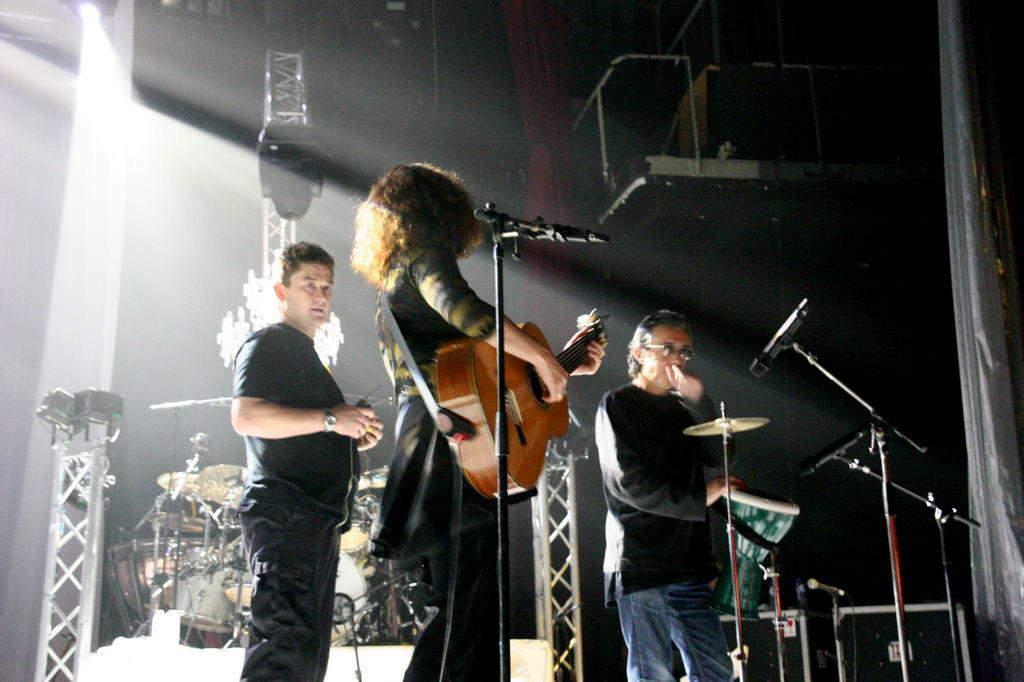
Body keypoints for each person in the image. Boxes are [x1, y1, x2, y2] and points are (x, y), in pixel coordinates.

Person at [350, 163, 604, 681]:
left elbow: (482, 381)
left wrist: (561, 365)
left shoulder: (395, 276)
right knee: (466, 614)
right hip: (447, 455)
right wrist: (544, 358)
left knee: (467, 611)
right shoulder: (424, 258)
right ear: (441, 209)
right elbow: (468, 312)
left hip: (439, 447)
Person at [231, 241, 383, 682]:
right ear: (282, 292)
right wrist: (332, 418)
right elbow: (246, 417)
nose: (320, 296)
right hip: (287, 516)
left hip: (313, 520)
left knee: (302, 657)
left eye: (327, 288)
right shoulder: (268, 343)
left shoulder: (305, 355)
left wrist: (349, 436)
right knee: (283, 652)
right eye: (309, 285)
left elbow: (305, 431)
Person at [596, 310, 738, 682]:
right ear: (639, 352)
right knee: (652, 673)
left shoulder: (684, 408)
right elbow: (629, 484)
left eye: (685, 351)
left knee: (717, 671)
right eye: (668, 348)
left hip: (688, 561)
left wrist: (700, 403)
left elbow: (720, 458)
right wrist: (701, 495)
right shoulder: (618, 404)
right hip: (642, 560)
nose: (678, 357)